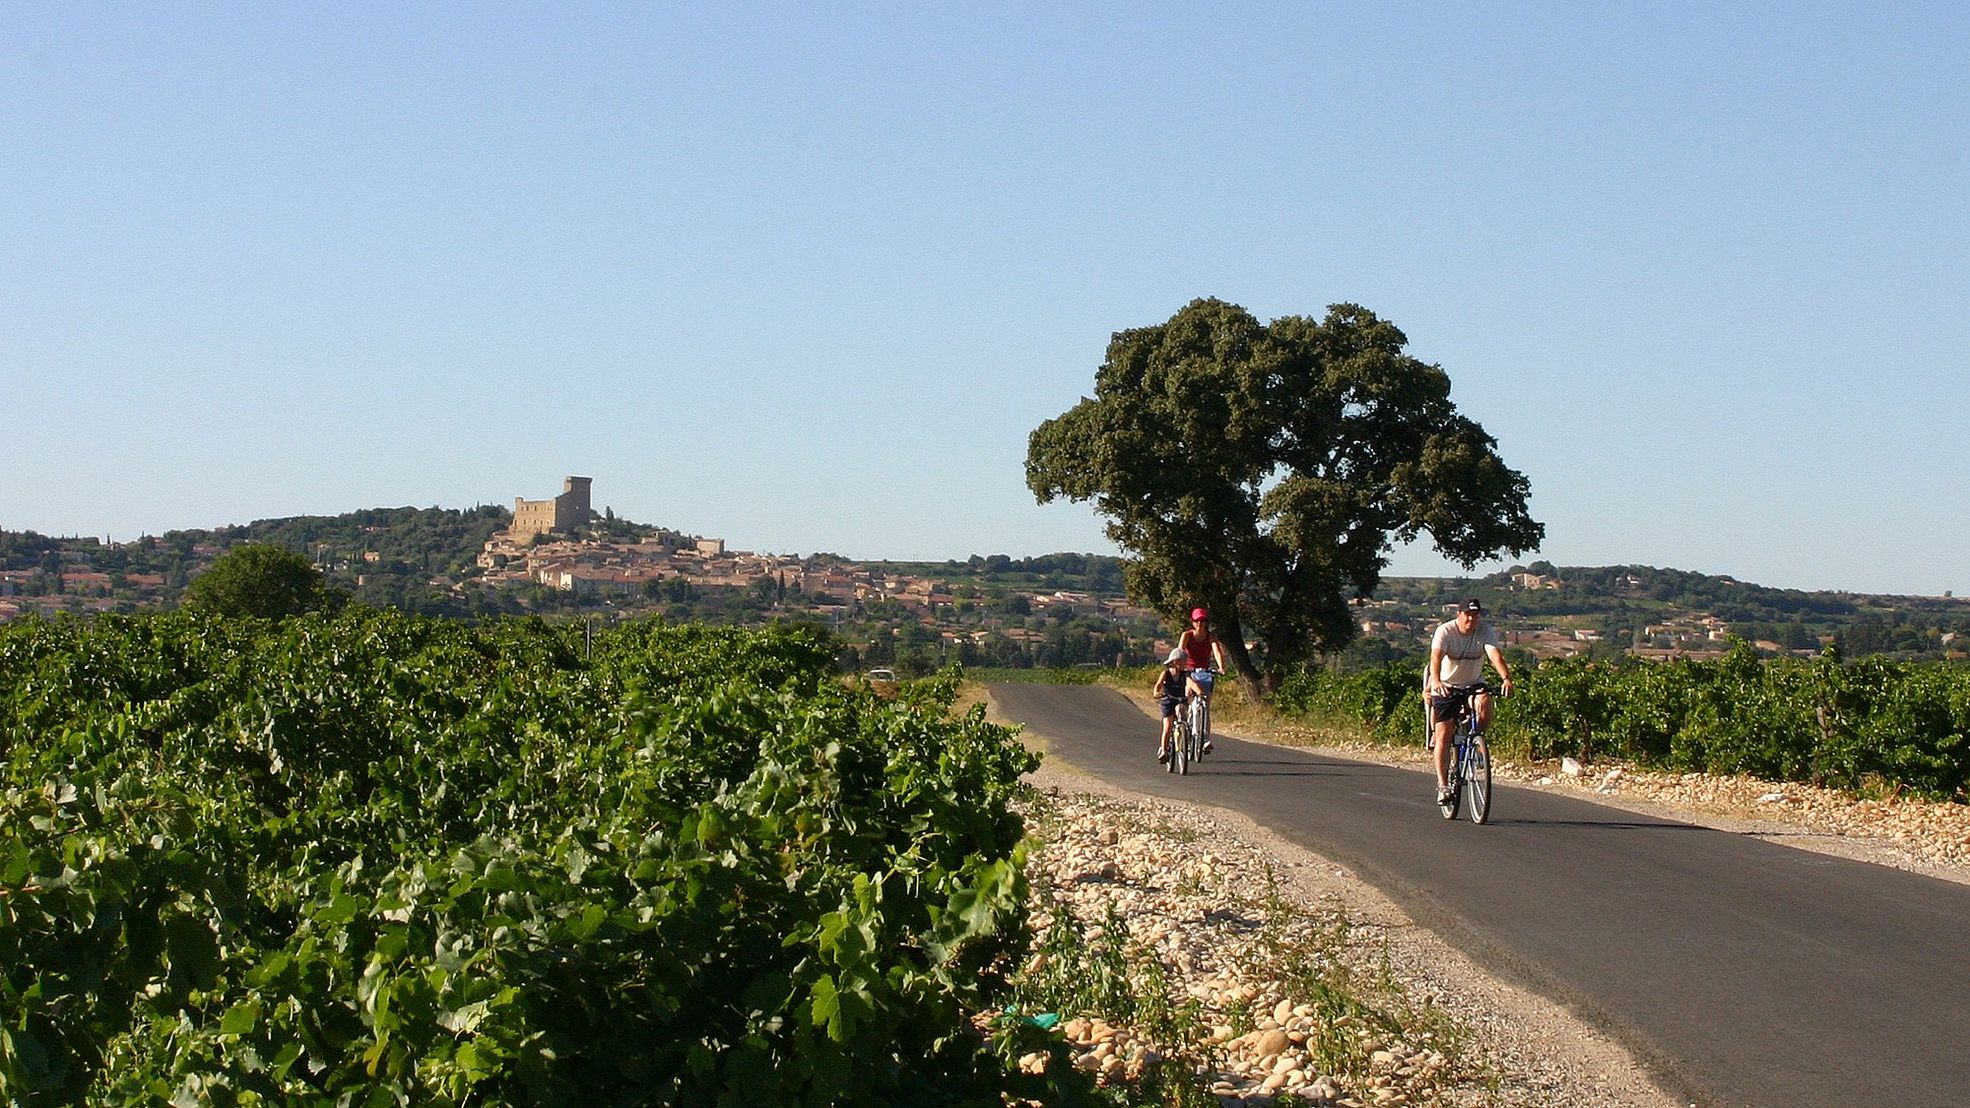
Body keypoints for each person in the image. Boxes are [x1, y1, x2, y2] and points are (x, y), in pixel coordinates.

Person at [1426, 598, 1514, 807]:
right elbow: (1436, 657)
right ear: (1459, 614)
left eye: (1475, 615)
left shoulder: (1484, 630)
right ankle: (1443, 785)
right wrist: (1436, 681)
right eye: (1467, 615)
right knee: (1444, 736)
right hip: (1447, 685)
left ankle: (1475, 742)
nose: (1471, 619)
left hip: (1473, 683)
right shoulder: (1445, 631)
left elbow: (1495, 655)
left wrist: (1506, 678)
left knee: (1485, 702)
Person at [1176, 607, 1228, 752]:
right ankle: (1183, 728)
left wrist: (1221, 667)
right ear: (1192, 622)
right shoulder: (1186, 635)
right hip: (1189, 671)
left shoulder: (1211, 637)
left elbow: (1216, 652)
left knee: (1205, 705)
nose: (1200, 624)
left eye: (1203, 621)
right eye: (1197, 621)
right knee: (1186, 698)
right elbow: (1180, 651)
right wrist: (1180, 666)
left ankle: (1205, 738)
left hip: (1204, 673)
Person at [1151, 648, 1191, 762]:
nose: (1185, 664)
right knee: (1167, 726)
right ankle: (1163, 750)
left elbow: (1191, 683)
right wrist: (1156, 693)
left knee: (1182, 714)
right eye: (1183, 661)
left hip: (1180, 699)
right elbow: (1158, 685)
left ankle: (1184, 737)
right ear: (1175, 662)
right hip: (1168, 701)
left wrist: (1199, 692)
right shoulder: (1166, 673)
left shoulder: (1185, 674)